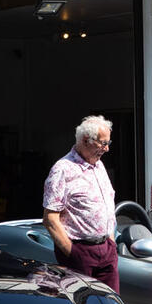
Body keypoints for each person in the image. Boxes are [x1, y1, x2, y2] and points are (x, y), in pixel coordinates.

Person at [42, 114, 120, 292]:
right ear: (86, 140)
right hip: (80, 252)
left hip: (106, 249)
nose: (107, 149)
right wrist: (73, 254)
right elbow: (50, 219)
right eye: (103, 143)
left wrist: (111, 242)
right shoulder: (63, 169)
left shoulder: (98, 166)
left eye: (108, 143)